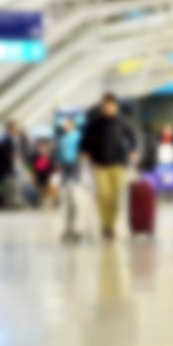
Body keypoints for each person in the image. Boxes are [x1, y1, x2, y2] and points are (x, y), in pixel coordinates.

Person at [79, 93, 137, 239]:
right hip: (100, 165)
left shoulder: (122, 122)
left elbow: (133, 138)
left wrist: (133, 151)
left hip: (118, 165)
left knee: (116, 196)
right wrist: (85, 153)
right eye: (106, 106)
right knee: (104, 196)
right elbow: (85, 141)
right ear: (102, 107)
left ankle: (111, 224)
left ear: (116, 106)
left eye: (111, 105)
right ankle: (106, 225)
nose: (109, 108)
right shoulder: (95, 124)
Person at [0, 121, 29, 208]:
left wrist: (22, 160)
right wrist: (11, 157)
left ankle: (17, 201)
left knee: (20, 183)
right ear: (10, 129)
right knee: (10, 184)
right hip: (8, 166)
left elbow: (23, 150)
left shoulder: (20, 139)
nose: (17, 129)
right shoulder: (5, 140)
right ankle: (9, 202)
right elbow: (4, 153)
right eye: (16, 127)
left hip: (19, 164)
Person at [30, 139, 57, 207]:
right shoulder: (34, 157)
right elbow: (32, 168)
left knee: (52, 186)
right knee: (39, 189)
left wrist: (51, 178)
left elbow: (53, 169)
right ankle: (41, 200)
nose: (42, 149)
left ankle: (52, 200)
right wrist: (32, 175)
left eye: (43, 147)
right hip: (38, 177)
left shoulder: (50, 158)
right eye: (40, 148)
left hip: (48, 177)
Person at [57, 118, 81, 183]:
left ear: (72, 125)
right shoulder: (62, 137)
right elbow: (60, 150)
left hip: (74, 161)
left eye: (68, 125)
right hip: (64, 162)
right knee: (65, 180)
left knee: (75, 179)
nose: (66, 126)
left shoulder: (77, 135)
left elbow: (81, 147)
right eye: (65, 125)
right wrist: (59, 160)